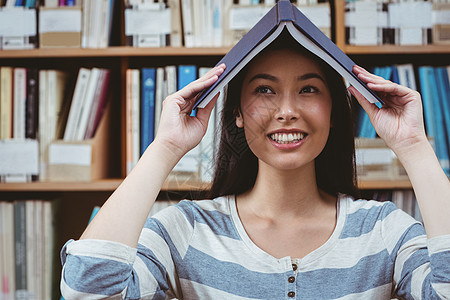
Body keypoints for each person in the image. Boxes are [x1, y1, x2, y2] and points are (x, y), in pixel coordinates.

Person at [60, 34, 450, 299]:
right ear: (238, 114)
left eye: (309, 89)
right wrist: (164, 148)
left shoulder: (383, 230)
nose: (287, 111)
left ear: (334, 112)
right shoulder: (187, 230)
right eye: (264, 90)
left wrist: (413, 146)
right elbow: (88, 289)